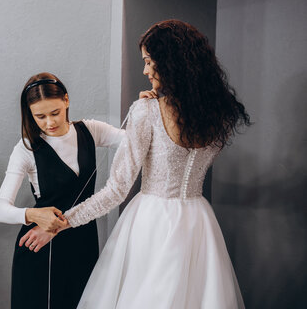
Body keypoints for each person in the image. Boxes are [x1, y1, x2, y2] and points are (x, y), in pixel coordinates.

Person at [48, 19, 249, 308]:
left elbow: (116, 190)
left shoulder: (146, 111)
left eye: (148, 61)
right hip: (198, 222)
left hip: (152, 222)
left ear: (170, 62)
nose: (144, 70)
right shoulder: (219, 115)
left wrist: (62, 222)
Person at [0, 72, 125, 309]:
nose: (49, 123)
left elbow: (136, 142)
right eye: (39, 116)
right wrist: (33, 215)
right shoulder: (26, 149)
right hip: (40, 246)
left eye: (55, 113)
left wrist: (149, 110)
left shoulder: (90, 130)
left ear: (66, 100)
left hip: (83, 240)